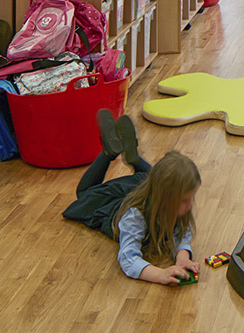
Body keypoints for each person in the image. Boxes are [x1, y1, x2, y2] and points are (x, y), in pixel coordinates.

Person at [62, 111, 201, 285]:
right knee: (84, 194)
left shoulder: (173, 201)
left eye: (190, 198)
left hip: (137, 187)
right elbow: (128, 258)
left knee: (150, 176)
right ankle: (107, 153)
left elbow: (181, 233)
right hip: (110, 206)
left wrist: (182, 257)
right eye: (184, 200)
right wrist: (160, 274)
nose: (190, 205)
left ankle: (135, 159)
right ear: (164, 199)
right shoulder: (134, 217)